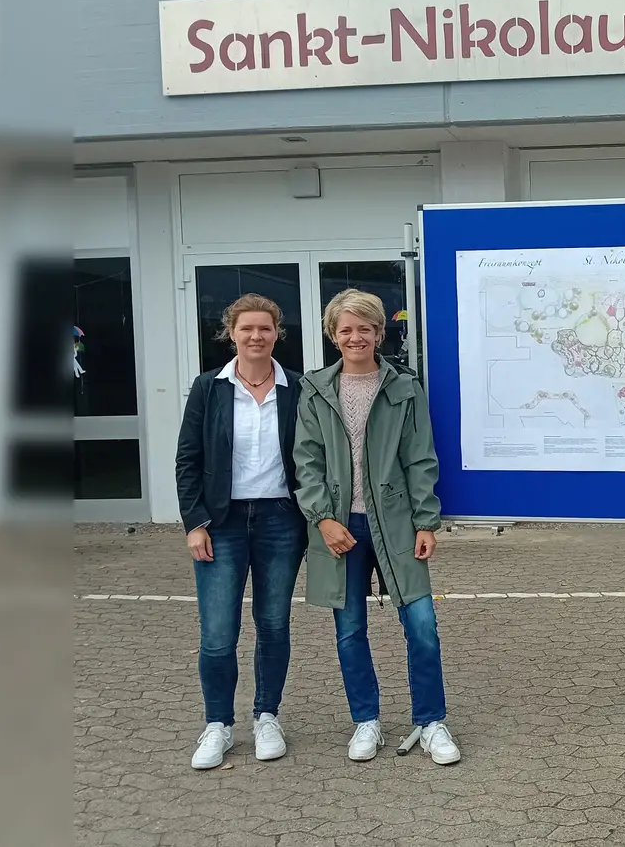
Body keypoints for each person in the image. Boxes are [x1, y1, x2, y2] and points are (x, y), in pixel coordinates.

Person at [293, 289, 460, 766]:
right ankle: (366, 721)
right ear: (332, 335)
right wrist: (322, 518)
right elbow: (306, 461)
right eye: (345, 329)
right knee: (349, 630)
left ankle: (431, 722)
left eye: (363, 328)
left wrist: (426, 521)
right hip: (339, 529)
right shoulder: (315, 390)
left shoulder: (404, 387)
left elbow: (422, 458)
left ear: (378, 334)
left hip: (398, 523)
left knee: (422, 625)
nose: (354, 336)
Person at [175, 294, 307, 770]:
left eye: (266, 328)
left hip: (280, 521)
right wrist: (195, 523)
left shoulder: (299, 388)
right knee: (217, 633)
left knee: (273, 625)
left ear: (277, 333)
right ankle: (218, 725)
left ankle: (267, 716)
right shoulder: (208, 387)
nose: (256, 336)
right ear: (231, 332)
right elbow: (188, 459)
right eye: (247, 328)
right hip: (222, 523)